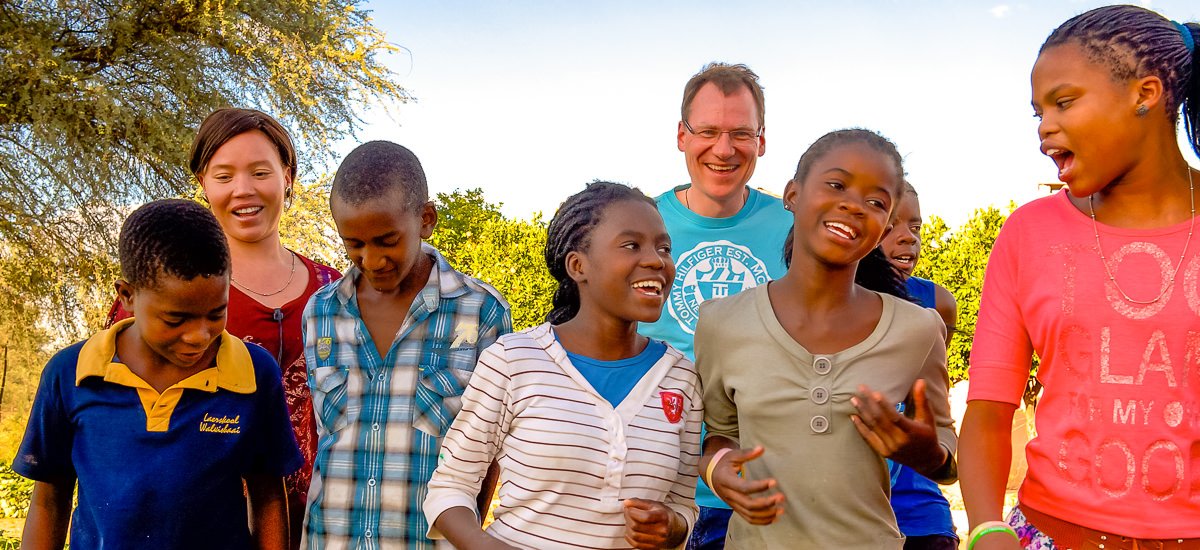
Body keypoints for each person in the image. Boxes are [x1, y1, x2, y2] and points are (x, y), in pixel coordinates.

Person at [959, 6, 1200, 550]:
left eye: (1064, 102)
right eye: (1038, 111)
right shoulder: (1029, 233)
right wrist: (986, 528)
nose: (1045, 127)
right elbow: (990, 407)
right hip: (1052, 532)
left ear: (1146, 93)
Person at [697, 129, 957, 549]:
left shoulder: (918, 329)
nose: (854, 205)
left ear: (884, 226)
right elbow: (719, 435)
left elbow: (946, 446)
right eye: (836, 185)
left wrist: (929, 455)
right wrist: (718, 470)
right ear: (792, 195)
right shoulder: (722, 322)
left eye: (876, 202)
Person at [106, 108, 340, 548]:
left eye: (259, 171)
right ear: (203, 186)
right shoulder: (157, 298)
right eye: (224, 176)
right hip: (199, 528)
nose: (243, 190)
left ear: (287, 177)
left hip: (326, 525)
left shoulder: (338, 292)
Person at [424, 181, 702, 550]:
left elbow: (683, 503)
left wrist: (673, 527)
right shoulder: (513, 360)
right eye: (631, 245)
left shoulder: (681, 377)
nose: (656, 260)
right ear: (578, 265)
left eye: (663, 247)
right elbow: (450, 487)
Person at [16, 199, 302, 549]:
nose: (198, 335)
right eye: (175, 319)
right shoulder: (71, 374)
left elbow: (268, 493)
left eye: (216, 313)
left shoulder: (254, 374)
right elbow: (49, 497)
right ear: (128, 296)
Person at [301, 141, 512, 549]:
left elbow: (491, 456)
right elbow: (324, 437)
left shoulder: (480, 312)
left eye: (386, 240)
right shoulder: (320, 314)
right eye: (354, 244)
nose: (372, 259)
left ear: (426, 219)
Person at [638, 61, 791, 550]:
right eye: (707, 131)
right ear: (681, 136)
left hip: (760, 490)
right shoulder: (639, 223)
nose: (724, 150)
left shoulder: (794, 229)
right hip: (653, 486)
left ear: (762, 140)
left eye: (741, 133)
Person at [878, 184, 960, 550]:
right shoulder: (819, 307)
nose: (907, 237)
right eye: (891, 226)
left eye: (916, 227)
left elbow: (932, 396)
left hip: (919, 516)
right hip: (844, 515)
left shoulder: (936, 305)